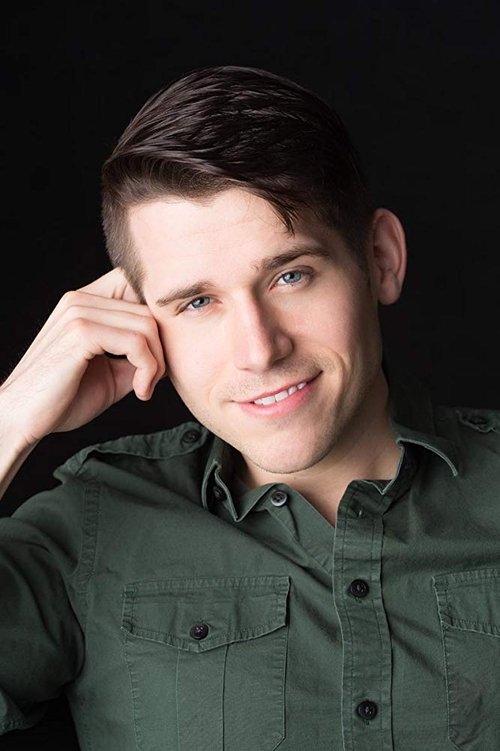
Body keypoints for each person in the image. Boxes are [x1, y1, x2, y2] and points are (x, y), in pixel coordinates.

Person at [0, 64, 498, 751]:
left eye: (291, 275)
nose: (259, 350)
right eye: (197, 302)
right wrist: (9, 420)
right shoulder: (90, 524)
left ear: (380, 259)